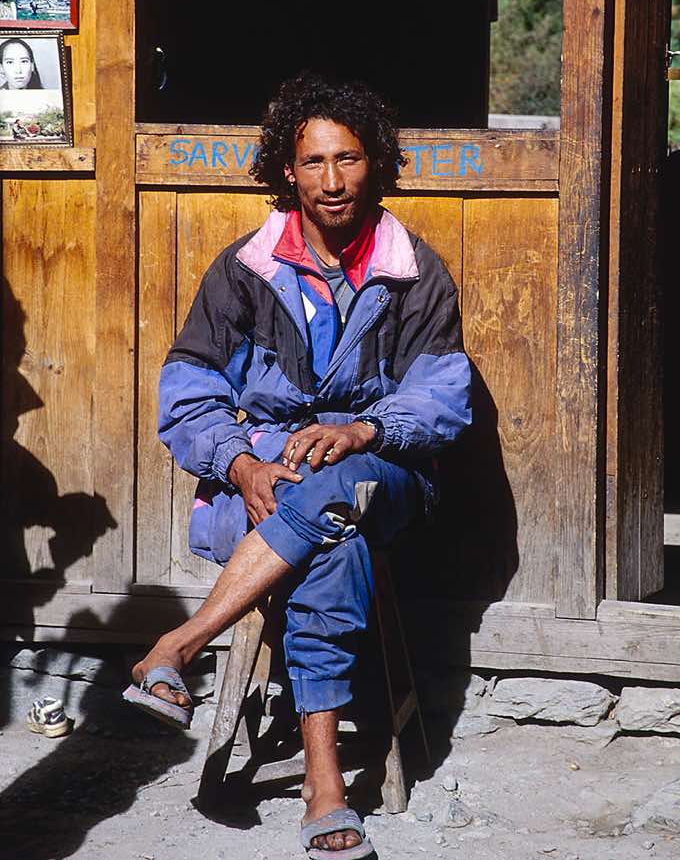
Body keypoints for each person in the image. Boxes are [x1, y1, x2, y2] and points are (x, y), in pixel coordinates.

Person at [124, 72, 472, 858]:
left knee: (340, 491)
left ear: (373, 162)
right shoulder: (244, 270)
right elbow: (186, 393)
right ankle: (325, 785)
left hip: (384, 474)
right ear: (287, 169)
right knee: (333, 538)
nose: (332, 180)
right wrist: (241, 465)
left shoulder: (412, 269)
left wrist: (364, 430)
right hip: (261, 487)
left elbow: (443, 396)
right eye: (313, 161)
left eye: (347, 158)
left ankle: (179, 644)